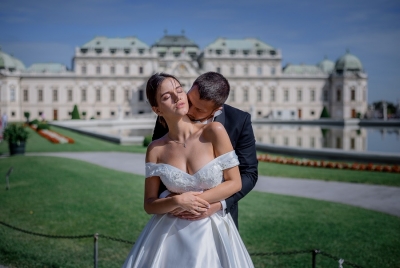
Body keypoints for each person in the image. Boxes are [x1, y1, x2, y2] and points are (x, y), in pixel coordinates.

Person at [122, 73, 254, 267]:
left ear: (215, 110)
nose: (179, 99)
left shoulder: (216, 130)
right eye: (167, 96)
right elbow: (149, 204)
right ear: (156, 109)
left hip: (212, 229)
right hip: (168, 234)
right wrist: (177, 200)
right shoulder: (156, 148)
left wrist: (199, 203)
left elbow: (241, 179)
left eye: (178, 91)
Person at [152, 72, 258, 229]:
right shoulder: (170, 115)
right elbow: (160, 167)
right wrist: (170, 198)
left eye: (199, 109)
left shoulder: (239, 121)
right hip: (173, 217)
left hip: (219, 216)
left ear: (216, 109)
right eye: (190, 100)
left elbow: (249, 174)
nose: (189, 110)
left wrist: (218, 205)